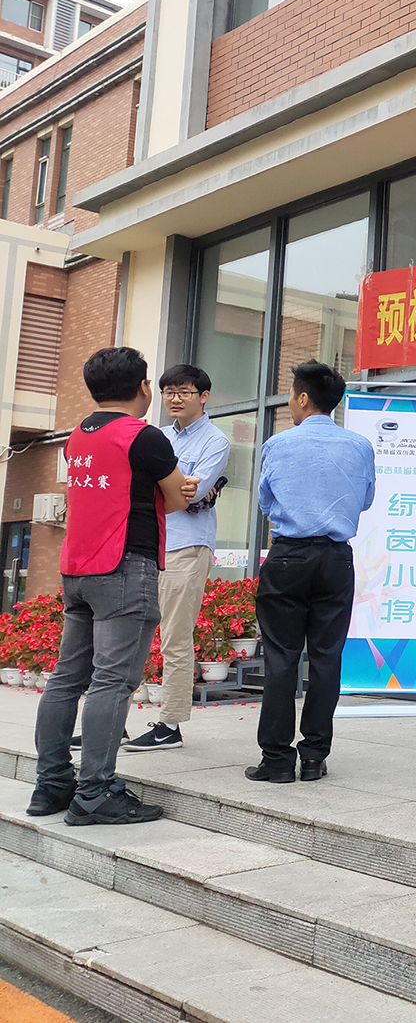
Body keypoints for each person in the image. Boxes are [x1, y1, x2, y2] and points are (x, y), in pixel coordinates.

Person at [29, 347, 198, 825]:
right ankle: (96, 792)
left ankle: (51, 784)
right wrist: (180, 489)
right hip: (125, 568)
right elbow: (176, 499)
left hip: (77, 569)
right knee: (113, 681)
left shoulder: (77, 437)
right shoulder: (144, 436)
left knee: (66, 678)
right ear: (143, 387)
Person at [247, 361, 375, 784]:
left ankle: (277, 760)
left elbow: (266, 501)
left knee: (281, 657)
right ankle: (315, 757)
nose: (289, 402)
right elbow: (366, 500)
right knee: (326, 657)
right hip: (336, 559)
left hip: (289, 556)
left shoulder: (279, 444)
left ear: (303, 398)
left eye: (290, 395)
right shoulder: (359, 446)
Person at [125, 365, 231, 753]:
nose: (174, 398)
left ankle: (169, 725)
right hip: (149, 545)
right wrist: (178, 486)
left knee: (174, 638)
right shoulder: (158, 436)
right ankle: (111, 723)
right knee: (128, 638)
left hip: (187, 547)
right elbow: (167, 487)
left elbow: (191, 493)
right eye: (168, 391)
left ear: (204, 396)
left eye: (184, 391)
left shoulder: (216, 440)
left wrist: (173, 486)